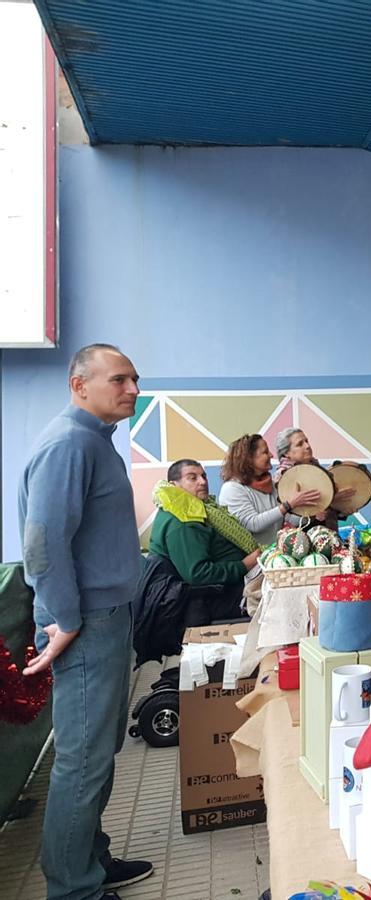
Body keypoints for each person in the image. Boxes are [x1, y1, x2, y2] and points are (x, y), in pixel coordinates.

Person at [18, 344, 154, 900]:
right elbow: (42, 544)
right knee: (80, 759)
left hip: (103, 617)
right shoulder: (69, 444)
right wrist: (67, 620)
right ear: (80, 385)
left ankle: (89, 861)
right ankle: (73, 888)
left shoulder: (95, 443)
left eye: (135, 380)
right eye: (119, 379)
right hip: (84, 623)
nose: (132, 390)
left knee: (99, 751)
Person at [148, 459, 261, 622]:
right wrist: (245, 565)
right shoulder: (183, 520)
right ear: (174, 485)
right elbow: (198, 574)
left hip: (222, 589)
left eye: (204, 476)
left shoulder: (190, 508)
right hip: (209, 600)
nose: (202, 482)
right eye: (192, 478)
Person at [218, 433, 321, 546]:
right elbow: (253, 524)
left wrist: (311, 513)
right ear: (249, 459)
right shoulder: (232, 489)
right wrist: (288, 505)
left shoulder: (270, 484)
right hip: (250, 558)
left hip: (272, 554)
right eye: (265, 452)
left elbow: (289, 520)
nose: (271, 455)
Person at [274, 427, 354, 530]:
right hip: (299, 541)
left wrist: (342, 510)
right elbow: (285, 518)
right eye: (300, 444)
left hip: (328, 536)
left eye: (306, 441)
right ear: (286, 453)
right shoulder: (282, 477)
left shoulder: (320, 471)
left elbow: (328, 510)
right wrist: (312, 515)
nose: (307, 446)